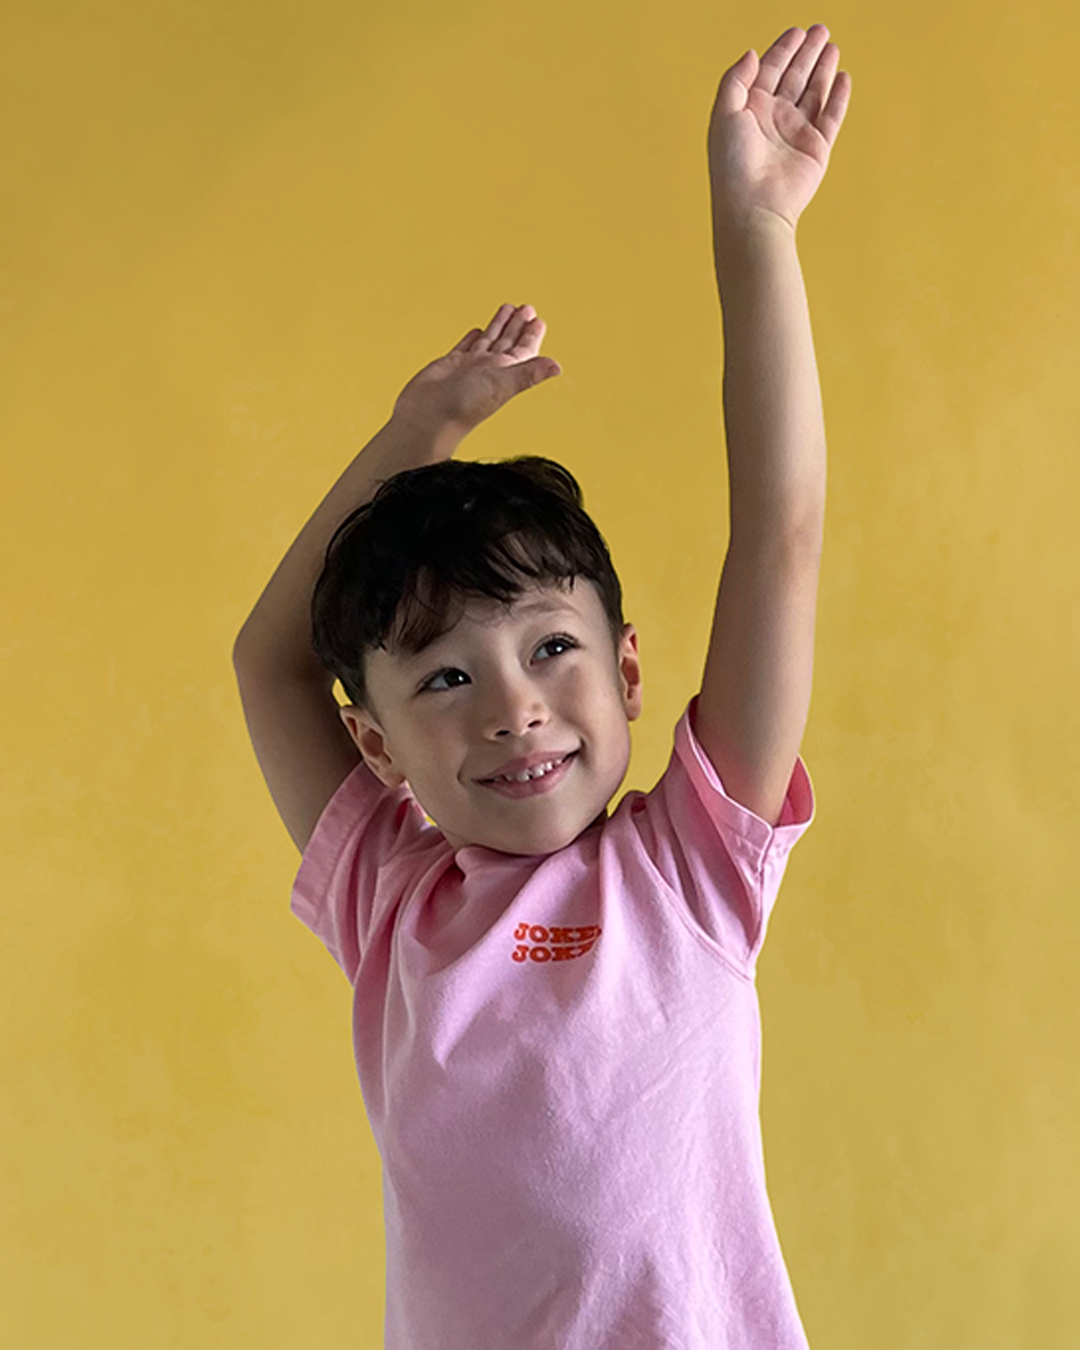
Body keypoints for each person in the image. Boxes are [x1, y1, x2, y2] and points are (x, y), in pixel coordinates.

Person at [232, 24, 851, 1350]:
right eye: (448, 676)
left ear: (628, 669)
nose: (512, 706)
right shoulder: (392, 902)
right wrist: (417, 433)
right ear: (377, 745)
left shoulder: (691, 867)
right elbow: (270, 663)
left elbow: (781, 535)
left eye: (552, 648)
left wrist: (756, 229)